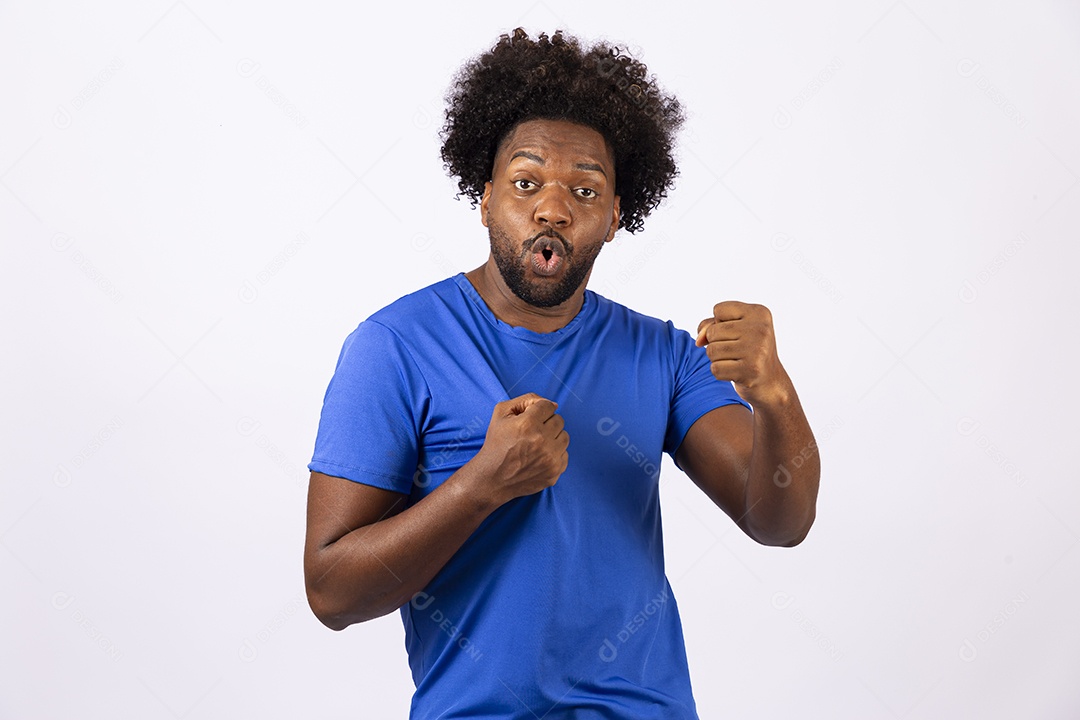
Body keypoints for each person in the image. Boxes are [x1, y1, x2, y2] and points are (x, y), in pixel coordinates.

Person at [304, 27, 820, 720]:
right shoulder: (393, 347)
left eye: (584, 189)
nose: (552, 207)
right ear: (484, 198)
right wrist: (480, 487)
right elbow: (332, 592)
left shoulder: (664, 354)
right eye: (525, 182)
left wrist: (775, 395)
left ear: (614, 217)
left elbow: (779, 522)